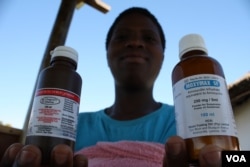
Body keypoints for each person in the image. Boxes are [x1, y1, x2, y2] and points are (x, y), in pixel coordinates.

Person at [0, 7, 222, 167]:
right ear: (107, 53)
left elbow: (235, 158)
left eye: (148, 38)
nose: (135, 43)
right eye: (122, 37)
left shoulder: (189, 120)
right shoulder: (69, 124)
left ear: (164, 56)